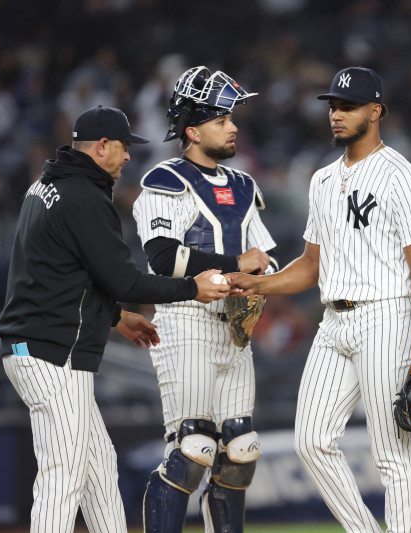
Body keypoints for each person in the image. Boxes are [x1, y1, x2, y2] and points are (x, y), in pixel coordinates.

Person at [226, 66, 411, 533]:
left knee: (391, 452)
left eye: (348, 106)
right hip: (334, 321)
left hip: (387, 314)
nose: (336, 114)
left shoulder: (401, 176)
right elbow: (310, 266)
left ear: (375, 111)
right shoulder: (322, 179)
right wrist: (256, 285)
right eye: (333, 106)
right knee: (310, 441)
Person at [0, 105, 229, 533]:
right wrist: (191, 288)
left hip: (38, 345)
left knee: (99, 468)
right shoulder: (83, 195)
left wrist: (115, 316)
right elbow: (125, 280)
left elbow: (58, 275)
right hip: (52, 354)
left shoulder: (46, 184)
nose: (127, 156)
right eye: (123, 147)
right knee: (63, 474)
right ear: (102, 146)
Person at [132, 66, 279, 532]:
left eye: (231, 118)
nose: (233, 127)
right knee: (191, 447)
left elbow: (265, 260)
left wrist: (259, 275)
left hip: (234, 329)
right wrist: (238, 263)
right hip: (185, 321)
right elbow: (163, 258)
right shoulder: (165, 179)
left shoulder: (244, 186)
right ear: (192, 131)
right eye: (221, 120)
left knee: (240, 449)